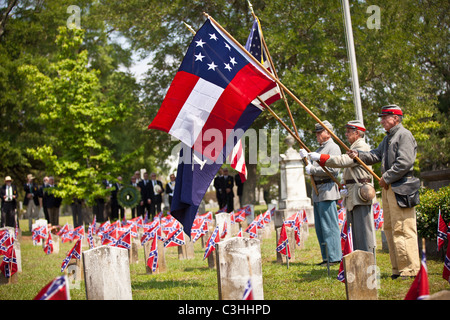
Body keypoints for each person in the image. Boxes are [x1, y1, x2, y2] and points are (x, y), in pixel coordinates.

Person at [347, 105, 420, 279]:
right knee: (390, 228)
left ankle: (410, 269)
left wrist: (386, 177)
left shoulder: (404, 135)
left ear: (395, 118)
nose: (381, 121)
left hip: (401, 187)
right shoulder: (388, 139)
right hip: (390, 189)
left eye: (384, 117)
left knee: (403, 228)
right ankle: (398, 268)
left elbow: (405, 163)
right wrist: (358, 155)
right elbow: (375, 155)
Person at [307, 120, 376, 253]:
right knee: (354, 229)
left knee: (363, 229)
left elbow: (344, 161)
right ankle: (359, 255)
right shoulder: (353, 146)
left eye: (349, 132)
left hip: (360, 191)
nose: (346, 134)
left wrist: (321, 157)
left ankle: (366, 255)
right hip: (352, 192)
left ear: (357, 133)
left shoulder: (360, 146)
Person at [300, 120, 341, 265]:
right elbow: (311, 166)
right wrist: (305, 160)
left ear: (328, 133)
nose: (317, 135)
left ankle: (335, 257)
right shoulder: (318, 150)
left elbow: (333, 170)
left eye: (319, 132)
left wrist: (313, 170)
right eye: (316, 132)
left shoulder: (333, 148)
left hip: (327, 189)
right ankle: (326, 257)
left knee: (329, 225)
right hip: (317, 191)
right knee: (320, 227)